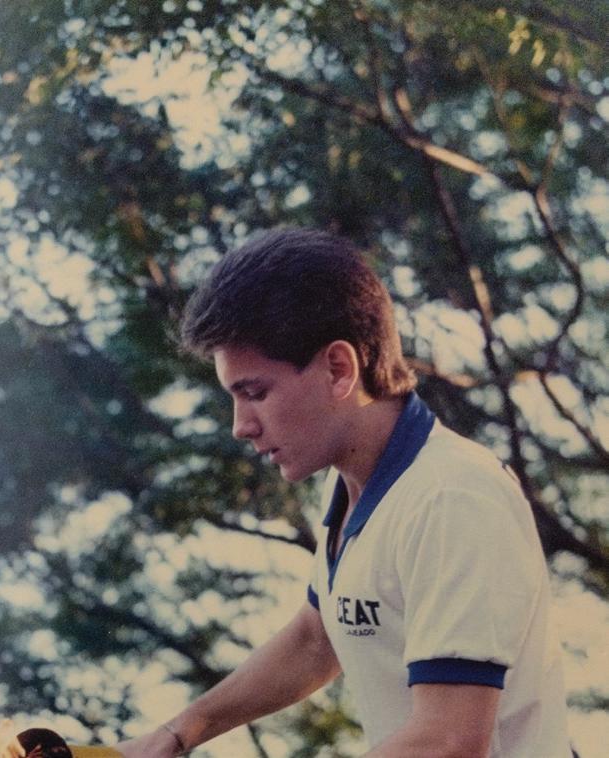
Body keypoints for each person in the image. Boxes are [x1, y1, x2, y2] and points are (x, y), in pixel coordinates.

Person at [116, 228, 571, 757]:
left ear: (339, 369)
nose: (240, 426)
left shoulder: (450, 497)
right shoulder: (353, 481)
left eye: (255, 392)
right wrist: (178, 733)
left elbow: (448, 741)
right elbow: (318, 637)